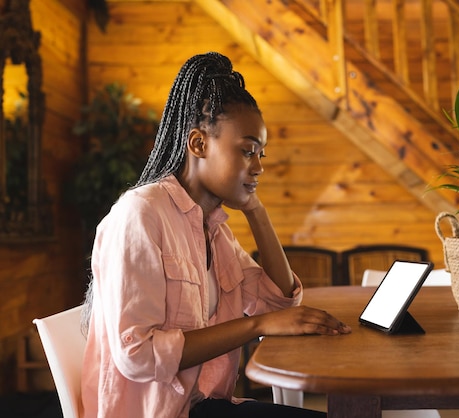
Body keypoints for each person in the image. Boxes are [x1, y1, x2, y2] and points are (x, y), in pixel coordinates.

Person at [80, 51, 351, 418]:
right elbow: (137, 356)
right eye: (247, 151)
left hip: (205, 407)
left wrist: (256, 211)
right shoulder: (140, 214)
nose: (257, 167)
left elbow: (280, 304)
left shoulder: (214, 229)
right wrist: (254, 325)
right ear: (198, 144)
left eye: (261, 155)